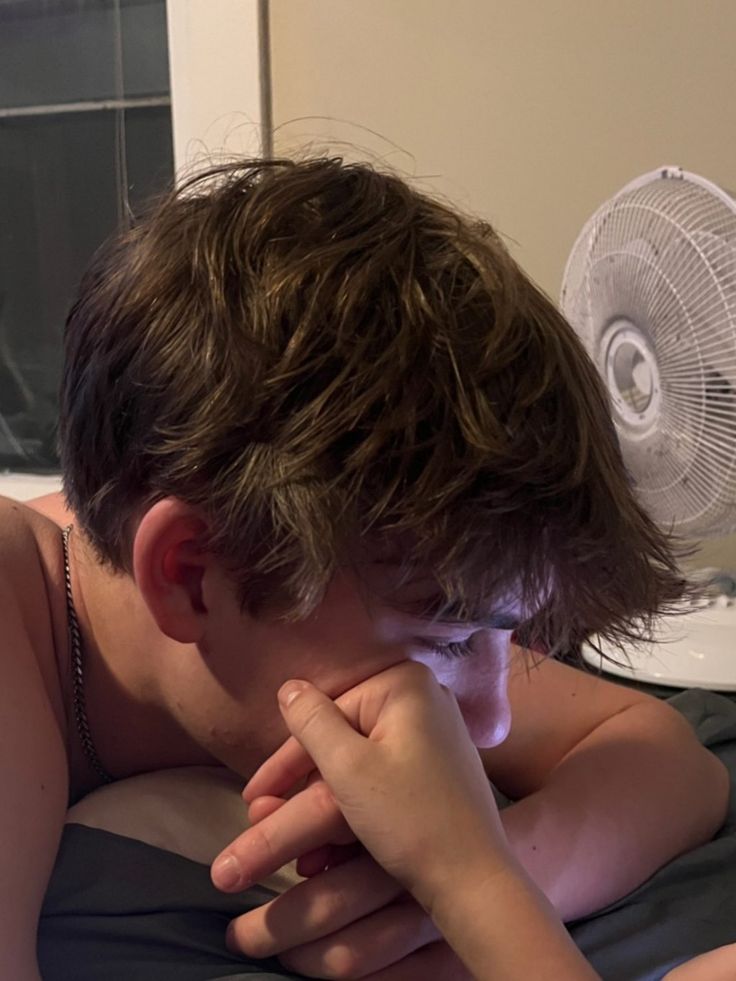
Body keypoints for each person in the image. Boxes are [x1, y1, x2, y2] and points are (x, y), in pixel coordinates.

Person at [2, 156, 728, 981]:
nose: (488, 723)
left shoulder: (319, 575)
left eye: (501, 631)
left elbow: (666, 754)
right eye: (446, 639)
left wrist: (473, 883)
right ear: (190, 574)